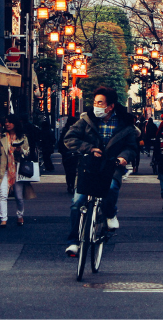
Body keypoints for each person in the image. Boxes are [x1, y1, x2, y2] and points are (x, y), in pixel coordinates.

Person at [63, 87, 139, 256]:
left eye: (100, 103)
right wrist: (89, 148)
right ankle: (73, 242)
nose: (95, 106)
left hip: (112, 166)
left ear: (110, 106)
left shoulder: (125, 124)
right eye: (95, 102)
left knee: (111, 187)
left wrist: (124, 157)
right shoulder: (86, 120)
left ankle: (110, 214)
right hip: (88, 166)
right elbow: (69, 138)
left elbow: (131, 147)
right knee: (77, 202)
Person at [0, 114, 30, 228]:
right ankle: (3, 219)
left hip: (18, 170)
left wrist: (19, 150)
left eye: (9, 122)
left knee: (19, 196)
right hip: (4, 169)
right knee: (3, 194)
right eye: (6, 122)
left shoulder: (22, 137)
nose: (7, 124)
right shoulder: (1, 137)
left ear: (15, 123)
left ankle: (20, 215)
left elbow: (27, 152)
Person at [58, 116, 79, 195]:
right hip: (74, 153)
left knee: (68, 171)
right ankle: (72, 185)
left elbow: (60, 143)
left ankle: (69, 185)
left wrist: (63, 152)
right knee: (73, 171)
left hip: (66, 154)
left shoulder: (64, 131)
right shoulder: (76, 131)